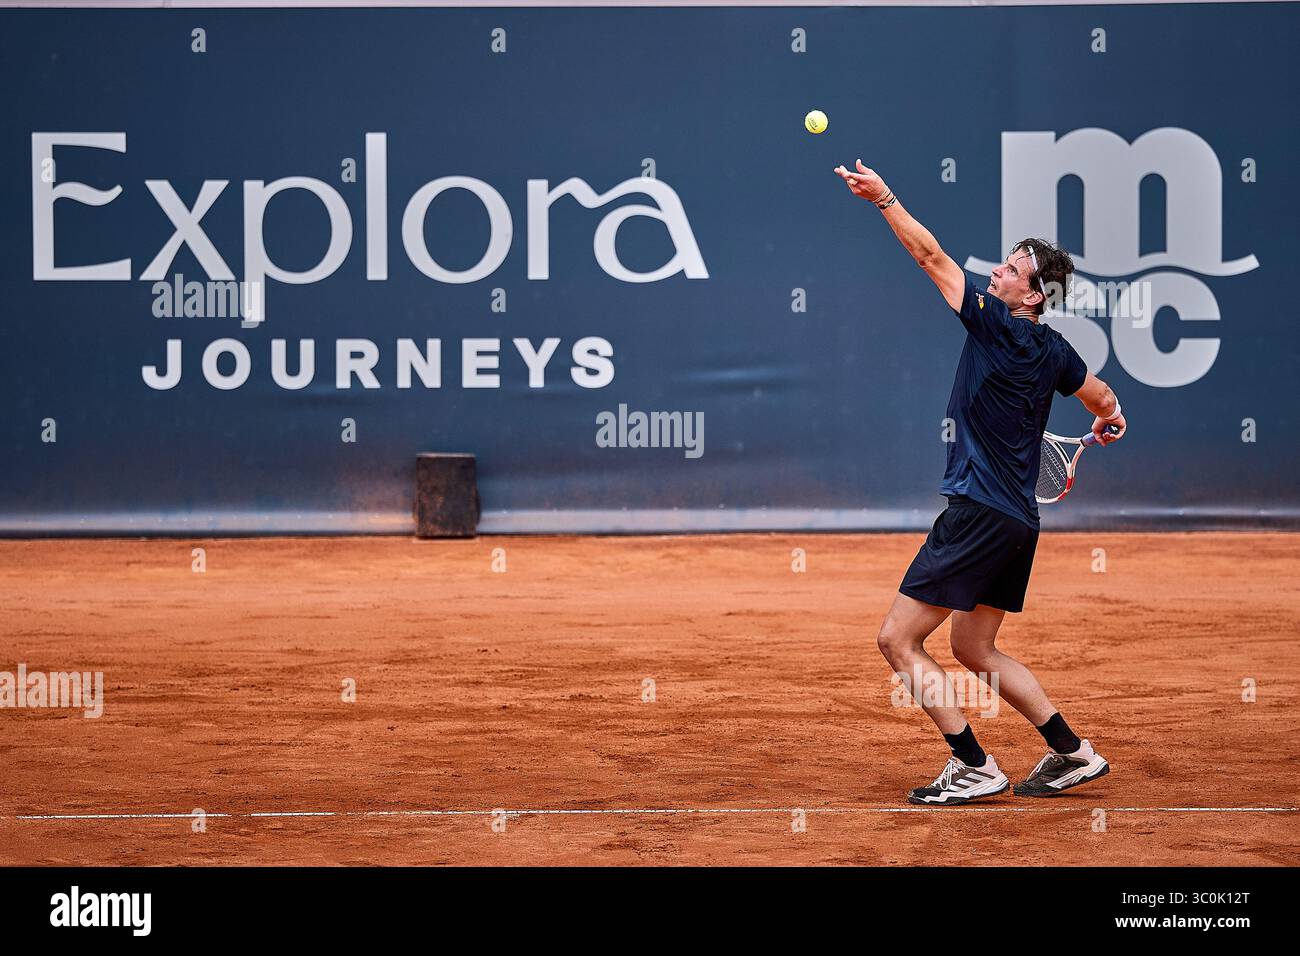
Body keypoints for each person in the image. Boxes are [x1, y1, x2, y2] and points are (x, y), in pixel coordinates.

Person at [834, 159, 1126, 805]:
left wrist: (884, 197)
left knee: (897, 639)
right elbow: (1100, 394)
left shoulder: (994, 322)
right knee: (974, 646)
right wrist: (1110, 419)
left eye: (1010, 270)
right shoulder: (1056, 351)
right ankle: (1072, 752)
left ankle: (973, 765)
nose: (995, 271)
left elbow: (929, 255)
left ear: (1031, 297)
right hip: (1019, 522)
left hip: (977, 513)